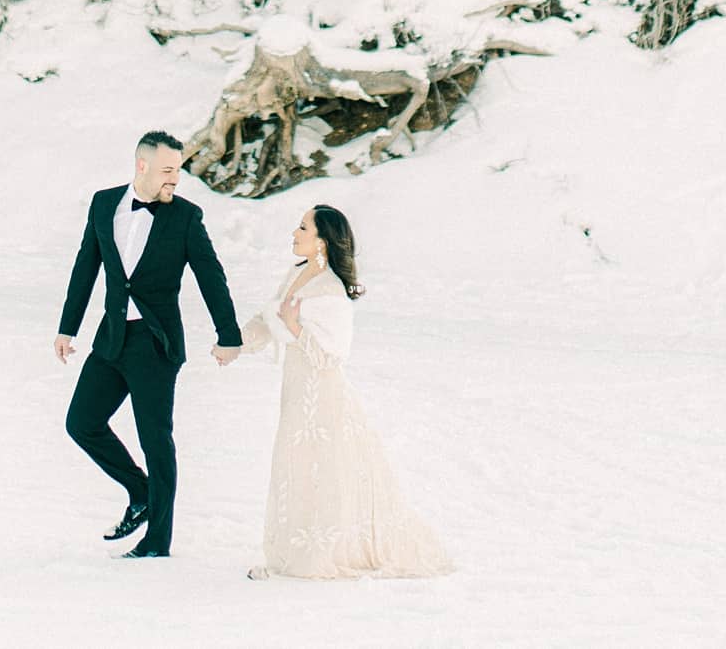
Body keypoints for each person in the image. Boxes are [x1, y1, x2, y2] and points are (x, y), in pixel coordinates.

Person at [54, 130, 243, 559]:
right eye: (167, 171)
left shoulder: (186, 217)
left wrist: (228, 335)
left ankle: (157, 541)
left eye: (178, 170)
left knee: (155, 440)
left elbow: (211, 278)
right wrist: (68, 328)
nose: (175, 179)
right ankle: (140, 491)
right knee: (81, 422)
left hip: (155, 345)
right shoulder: (104, 204)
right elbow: (85, 267)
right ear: (143, 166)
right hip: (112, 338)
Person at [238, 205, 453, 580]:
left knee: (323, 469)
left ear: (321, 241)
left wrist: (297, 328)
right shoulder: (296, 274)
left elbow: (332, 356)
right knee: (297, 467)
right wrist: (233, 345)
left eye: (302, 227)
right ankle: (293, 548)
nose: (294, 232)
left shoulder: (331, 292)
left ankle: (321, 551)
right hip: (295, 392)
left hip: (322, 396)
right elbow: (268, 319)